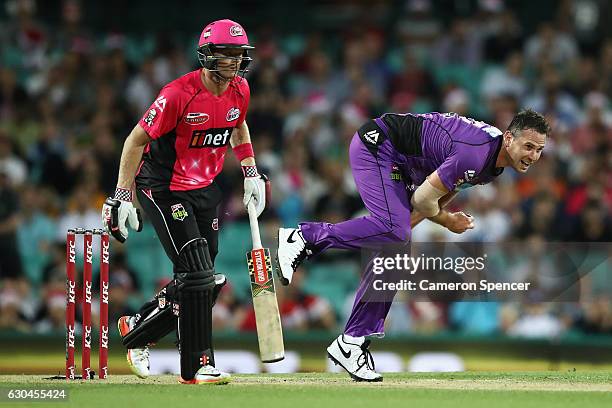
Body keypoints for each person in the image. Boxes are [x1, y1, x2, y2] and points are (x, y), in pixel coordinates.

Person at [277, 109, 550, 382]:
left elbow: (440, 192)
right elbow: (423, 200)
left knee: (395, 245)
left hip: (402, 164)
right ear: (509, 138)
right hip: (379, 145)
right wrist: (446, 222)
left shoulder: (493, 164)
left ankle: (352, 341)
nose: (533, 156)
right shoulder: (476, 155)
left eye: (539, 150)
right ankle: (302, 238)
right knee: (394, 231)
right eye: (528, 146)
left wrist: (399, 238)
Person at [102, 19, 267, 385]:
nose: (235, 63)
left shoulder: (240, 89)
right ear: (207, 56)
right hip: (163, 186)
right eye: (227, 56)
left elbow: (238, 124)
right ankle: (197, 366)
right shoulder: (179, 93)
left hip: (205, 189)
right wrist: (122, 195)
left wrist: (250, 169)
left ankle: (138, 328)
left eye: (239, 56)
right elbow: (134, 141)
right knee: (197, 273)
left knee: (204, 281)